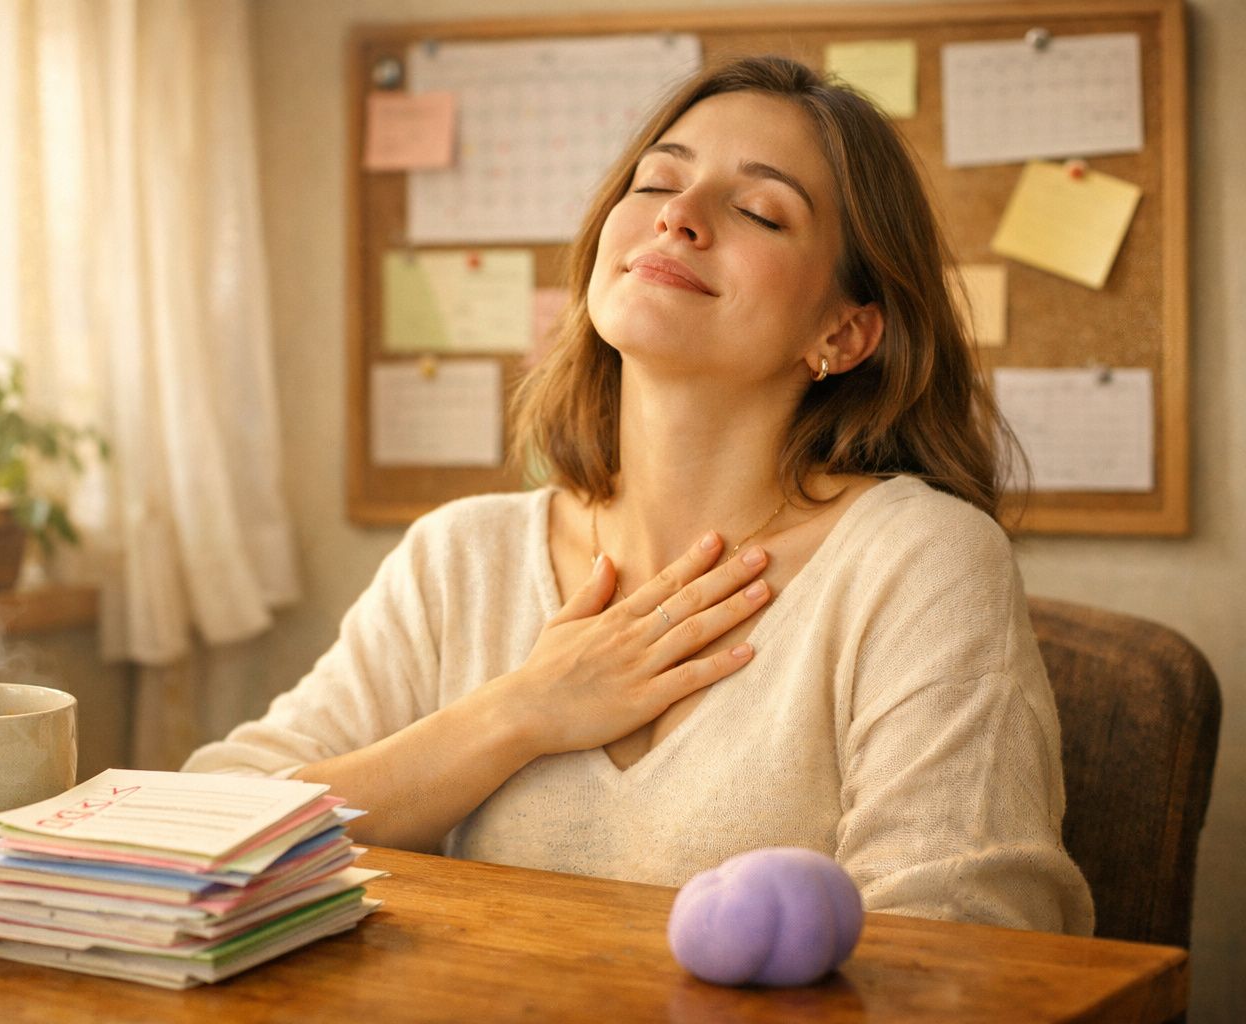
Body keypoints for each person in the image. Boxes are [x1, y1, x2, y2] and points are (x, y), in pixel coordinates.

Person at [185, 55, 1095, 935]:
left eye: (760, 211)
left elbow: (965, 951)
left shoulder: (920, 563)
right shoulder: (458, 559)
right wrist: (517, 713)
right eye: (656, 183)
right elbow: (196, 835)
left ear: (845, 332)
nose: (679, 217)